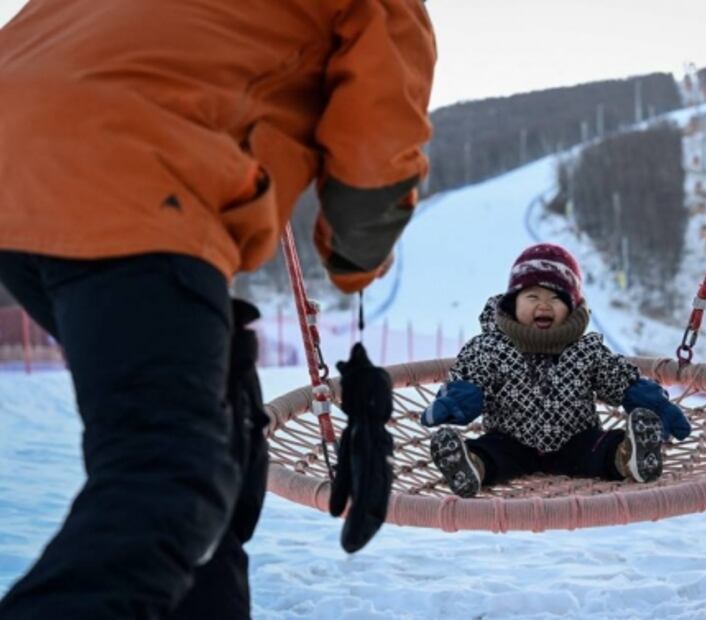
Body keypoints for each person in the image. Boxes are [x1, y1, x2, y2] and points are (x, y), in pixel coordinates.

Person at [0, 0, 435, 618]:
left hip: (22, 159)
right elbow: (374, 165)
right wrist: (354, 263)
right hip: (133, 172)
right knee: (173, 474)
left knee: (219, 438)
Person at [420, 243, 692, 498]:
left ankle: (630, 456)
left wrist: (657, 406)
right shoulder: (490, 348)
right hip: (510, 440)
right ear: (513, 303)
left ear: (571, 307)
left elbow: (621, 381)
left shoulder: (585, 351)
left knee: (603, 447)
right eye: (532, 296)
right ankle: (470, 465)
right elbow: (470, 382)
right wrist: (453, 403)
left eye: (556, 298)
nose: (543, 305)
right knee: (492, 450)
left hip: (577, 440)